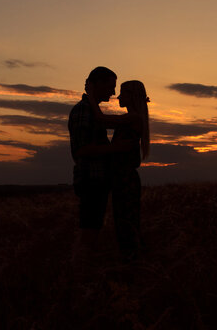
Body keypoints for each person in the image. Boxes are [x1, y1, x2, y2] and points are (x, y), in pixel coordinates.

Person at [68, 66, 133, 277]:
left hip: (97, 180)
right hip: (90, 180)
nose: (113, 93)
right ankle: (77, 279)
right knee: (89, 231)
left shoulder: (92, 110)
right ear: (96, 84)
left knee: (92, 229)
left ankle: (80, 277)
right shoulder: (83, 110)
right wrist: (114, 149)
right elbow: (81, 150)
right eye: (110, 86)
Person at [87, 80, 150, 262]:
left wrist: (91, 97)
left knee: (127, 224)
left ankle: (133, 263)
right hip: (122, 179)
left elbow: (102, 119)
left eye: (123, 93)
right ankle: (133, 261)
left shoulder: (133, 118)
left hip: (125, 180)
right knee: (124, 223)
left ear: (132, 96)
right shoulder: (131, 118)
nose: (118, 96)